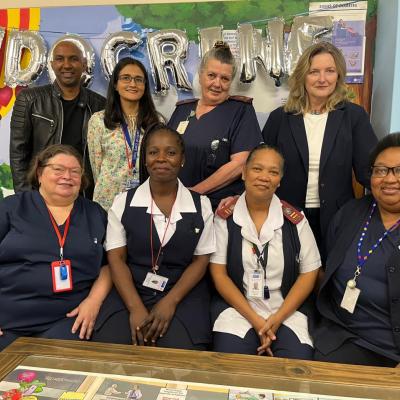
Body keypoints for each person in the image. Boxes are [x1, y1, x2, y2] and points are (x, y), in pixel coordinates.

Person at [0, 144, 125, 351]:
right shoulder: (11, 208)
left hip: (67, 319)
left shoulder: (95, 214)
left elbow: (109, 265)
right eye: (58, 169)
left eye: (75, 171)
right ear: (40, 173)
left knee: (61, 376)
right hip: (9, 318)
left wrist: (94, 301)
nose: (67, 176)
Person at [261, 41, 377, 258]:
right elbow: (260, 169)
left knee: (330, 280)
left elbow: (369, 171)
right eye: (314, 72)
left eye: (330, 71)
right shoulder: (280, 118)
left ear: (338, 75)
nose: (322, 79)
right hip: (286, 215)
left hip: (338, 218)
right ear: (303, 76)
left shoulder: (354, 117)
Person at [106, 124, 215, 349]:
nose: (162, 158)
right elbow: (116, 259)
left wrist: (170, 302)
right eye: (153, 152)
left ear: (182, 159)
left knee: (181, 355)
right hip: (131, 289)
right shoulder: (123, 203)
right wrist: (135, 307)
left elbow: (201, 261)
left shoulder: (201, 205)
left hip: (182, 292)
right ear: (145, 160)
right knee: (114, 349)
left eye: (171, 152)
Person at [210, 144, 320, 359]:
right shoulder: (225, 218)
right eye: (257, 169)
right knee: (232, 364)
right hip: (239, 309)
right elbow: (219, 274)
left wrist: (276, 320)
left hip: (286, 310)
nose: (264, 177)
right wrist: (257, 320)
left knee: (295, 364)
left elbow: (309, 273)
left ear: (280, 180)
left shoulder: (295, 220)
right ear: (243, 172)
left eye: (273, 172)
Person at [312, 133, 400, 367]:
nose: (389, 179)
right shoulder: (350, 213)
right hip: (341, 336)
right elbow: (324, 268)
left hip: (392, 347)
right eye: (381, 170)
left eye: (399, 170)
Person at [168, 42, 262, 210]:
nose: (217, 84)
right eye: (211, 75)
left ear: (231, 81)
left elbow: (240, 164)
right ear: (201, 74)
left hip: (218, 208)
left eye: (224, 78)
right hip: (176, 204)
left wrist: (195, 193)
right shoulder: (182, 110)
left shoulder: (241, 111)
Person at [10, 40, 106, 198]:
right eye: (60, 59)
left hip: (83, 197)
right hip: (41, 195)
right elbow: (18, 154)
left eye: (73, 59)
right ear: (52, 64)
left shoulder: (100, 105)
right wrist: (27, 199)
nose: (66, 65)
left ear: (83, 64)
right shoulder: (29, 100)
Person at [88, 58, 161, 211]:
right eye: (126, 78)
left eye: (138, 79)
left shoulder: (156, 122)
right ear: (115, 84)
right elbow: (96, 166)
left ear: (145, 86)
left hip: (146, 200)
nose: (133, 84)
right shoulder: (99, 120)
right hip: (108, 202)